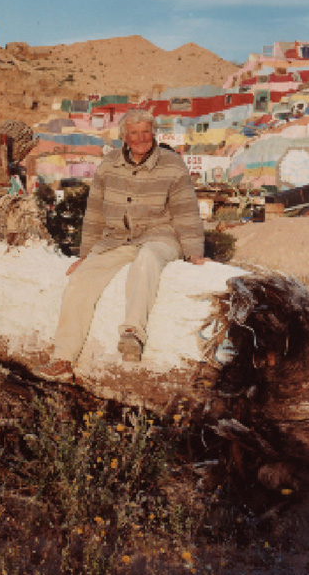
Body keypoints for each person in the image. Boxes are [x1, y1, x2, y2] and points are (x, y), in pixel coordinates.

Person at [39, 109, 205, 380]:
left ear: (153, 133)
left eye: (146, 132)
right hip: (116, 239)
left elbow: (186, 212)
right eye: (134, 133)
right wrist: (85, 255)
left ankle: (132, 334)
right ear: (124, 136)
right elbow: (94, 214)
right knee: (80, 280)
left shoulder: (173, 164)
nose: (141, 138)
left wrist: (194, 253)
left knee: (147, 260)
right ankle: (63, 358)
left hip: (160, 236)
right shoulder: (109, 164)